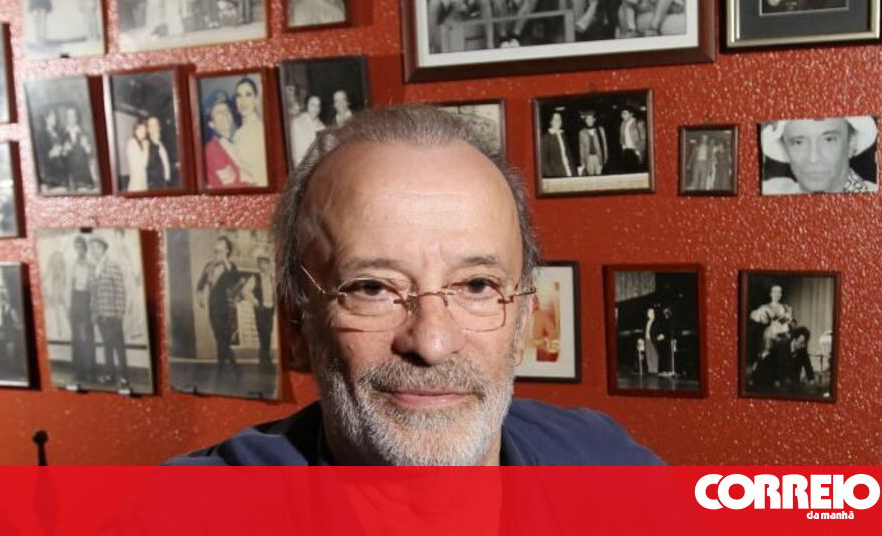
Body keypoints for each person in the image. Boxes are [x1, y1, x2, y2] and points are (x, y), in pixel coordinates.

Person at [168, 106, 661, 465]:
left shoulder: (608, 466)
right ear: (297, 321)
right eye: (372, 288)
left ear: (524, 320)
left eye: (477, 285)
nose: (432, 342)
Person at [760, 117, 878, 194]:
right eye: (798, 142)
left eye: (829, 139)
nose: (813, 159)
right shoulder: (771, 191)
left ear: (851, 143)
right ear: (785, 149)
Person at [196, 236, 242, 377]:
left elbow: (234, 280)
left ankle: (223, 368)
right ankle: (231, 367)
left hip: (226, 306)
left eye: (221, 243)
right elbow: (200, 285)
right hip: (213, 305)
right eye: (217, 242)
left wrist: (224, 261)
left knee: (223, 338)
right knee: (219, 337)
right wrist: (200, 296)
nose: (217, 243)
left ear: (227, 249)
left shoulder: (231, 266)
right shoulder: (209, 266)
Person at [89, 236, 130, 389]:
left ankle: (124, 377)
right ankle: (109, 376)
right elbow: (93, 294)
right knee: (107, 346)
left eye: (95, 247)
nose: (92, 250)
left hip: (113, 314)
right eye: (91, 248)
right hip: (100, 315)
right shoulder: (93, 268)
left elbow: (120, 290)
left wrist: (120, 312)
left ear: (102, 248)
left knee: (119, 346)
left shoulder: (112, 265)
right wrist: (94, 312)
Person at [749, 284, 795, 390]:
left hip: (782, 336)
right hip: (769, 336)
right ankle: (756, 377)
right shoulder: (764, 307)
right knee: (765, 355)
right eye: (775, 291)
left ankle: (778, 379)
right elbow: (759, 321)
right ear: (770, 294)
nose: (777, 294)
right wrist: (765, 320)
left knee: (781, 355)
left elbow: (791, 323)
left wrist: (788, 322)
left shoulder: (786, 308)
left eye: (779, 292)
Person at [68, 236, 96, 384]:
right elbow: (70, 285)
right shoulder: (72, 264)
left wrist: (92, 305)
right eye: (76, 247)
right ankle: (78, 370)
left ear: (85, 248)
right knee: (76, 335)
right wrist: (69, 306)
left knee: (87, 335)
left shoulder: (91, 265)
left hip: (86, 298)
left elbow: (92, 286)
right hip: (75, 299)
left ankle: (90, 369)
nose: (78, 250)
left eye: (80, 247)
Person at [203, 93, 247, 188]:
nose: (224, 114)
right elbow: (232, 187)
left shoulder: (235, 142)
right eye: (219, 112)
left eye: (227, 110)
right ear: (211, 123)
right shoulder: (212, 148)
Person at [231, 77, 267, 187]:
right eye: (238, 95)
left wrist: (232, 157)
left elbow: (262, 174)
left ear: (256, 100)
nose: (243, 101)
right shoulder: (237, 133)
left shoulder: (260, 130)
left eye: (248, 94)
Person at [290, 94, 325, 166]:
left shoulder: (322, 127)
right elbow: (294, 152)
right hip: (300, 166)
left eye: (318, 105)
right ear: (307, 106)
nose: (315, 108)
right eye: (312, 105)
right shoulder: (297, 123)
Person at [540, 111, 574, 178]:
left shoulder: (563, 135)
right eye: (555, 120)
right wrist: (552, 177)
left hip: (568, 171)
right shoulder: (545, 138)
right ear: (551, 122)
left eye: (559, 119)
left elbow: (568, 156)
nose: (558, 122)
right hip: (556, 174)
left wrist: (573, 171)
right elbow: (543, 162)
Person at [576, 109, 607, 176]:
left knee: (600, 176)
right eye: (587, 119)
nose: (589, 120)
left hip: (599, 157)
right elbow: (581, 148)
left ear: (594, 119)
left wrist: (605, 158)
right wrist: (582, 162)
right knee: (591, 176)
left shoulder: (600, 130)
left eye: (591, 118)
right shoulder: (582, 132)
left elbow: (604, 145)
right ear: (585, 120)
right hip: (588, 158)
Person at [145, 116, 172, 189]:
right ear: (148, 130)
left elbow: (164, 162)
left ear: (159, 127)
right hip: (155, 185)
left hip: (165, 182)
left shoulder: (163, 143)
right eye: (151, 125)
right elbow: (149, 165)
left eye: (156, 124)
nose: (154, 127)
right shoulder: (147, 145)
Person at [124, 120, 150, 192]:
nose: (142, 132)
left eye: (144, 129)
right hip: (136, 185)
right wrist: (146, 148)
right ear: (135, 130)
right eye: (140, 129)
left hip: (142, 182)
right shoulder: (132, 143)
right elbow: (143, 165)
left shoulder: (140, 143)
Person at [619, 107, 646, 172]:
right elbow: (622, 137)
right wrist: (623, 145)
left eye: (624, 113)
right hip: (627, 150)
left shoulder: (638, 123)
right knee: (628, 170)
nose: (622, 115)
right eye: (622, 113)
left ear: (631, 114)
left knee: (636, 169)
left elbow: (643, 138)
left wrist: (638, 150)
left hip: (636, 150)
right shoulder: (623, 124)